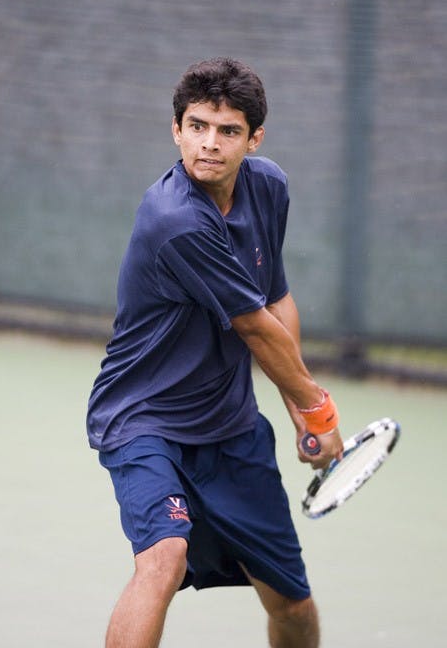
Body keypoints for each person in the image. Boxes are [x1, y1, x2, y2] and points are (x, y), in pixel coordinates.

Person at [87, 57, 343, 648]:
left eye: (228, 131)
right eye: (197, 126)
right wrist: (319, 410)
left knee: (294, 607)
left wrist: (298, 410)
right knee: (163, 557)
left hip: (230, 429)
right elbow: (254, 328)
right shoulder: (175, 220)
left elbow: (276, 301)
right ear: (175, 130)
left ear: (254, 139)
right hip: (143, 420)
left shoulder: (268, 187)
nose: (209, 143)